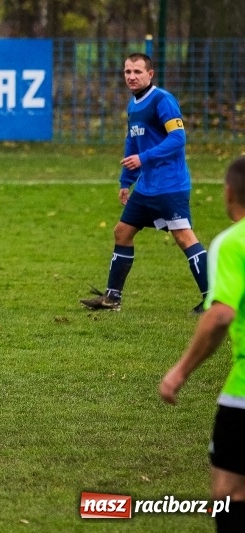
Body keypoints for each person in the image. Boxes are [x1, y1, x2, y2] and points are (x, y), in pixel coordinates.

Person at [80, 52, 208, 313]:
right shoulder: (133, 104)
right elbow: (132, 142)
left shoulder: (163, 100)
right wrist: (126, 180)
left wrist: (144, 158)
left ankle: (213, 299)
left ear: (150, 74)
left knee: (184, 237)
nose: (131, 76)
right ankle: (112, 298)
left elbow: (178, 139)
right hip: (147, 187)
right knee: (122, 232)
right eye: (127, 71)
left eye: (137, 71)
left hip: (170, 185)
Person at [159, 156, 245, 532]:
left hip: (243, 393)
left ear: (228, 193)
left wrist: (180, 371)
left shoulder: (233, 243)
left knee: (229, 494)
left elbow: (221, 314)